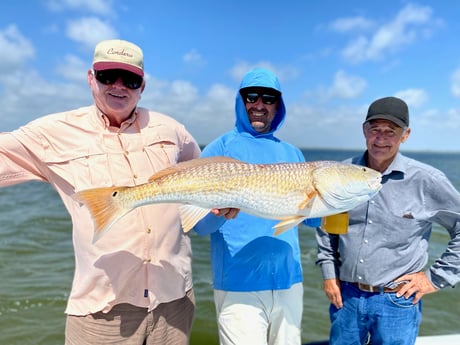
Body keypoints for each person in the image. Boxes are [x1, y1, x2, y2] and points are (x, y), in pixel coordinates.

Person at [0, 39, 204, 345]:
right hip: (102, 310)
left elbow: (200, 175)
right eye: (109, 76)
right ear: (91, 78)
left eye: (131, 80)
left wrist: (217, 204)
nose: (119, 86)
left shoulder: (171, 129)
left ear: (142, 86)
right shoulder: (53, 132)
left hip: (174, 300)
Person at [315, 96, 460, 345]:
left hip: (397, 302)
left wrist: (435, 279)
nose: (380, 139)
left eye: (390, 131)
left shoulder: (426, 180)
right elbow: (327, 227)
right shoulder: (340, 173)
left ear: (405, 135)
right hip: (345, 297)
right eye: (374, 130)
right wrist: (329, 275)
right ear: (364, 131)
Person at [193, 67, 320, 345]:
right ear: (241, 100)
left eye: (269, 98)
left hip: (290, 281)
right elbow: (200, 225)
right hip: (239, 284)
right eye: (252, 97)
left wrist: (337, 201)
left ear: (279, 105)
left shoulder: (292, 153)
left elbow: (310, 219)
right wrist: (219, 215)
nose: (259, 105)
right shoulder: (220, 149)